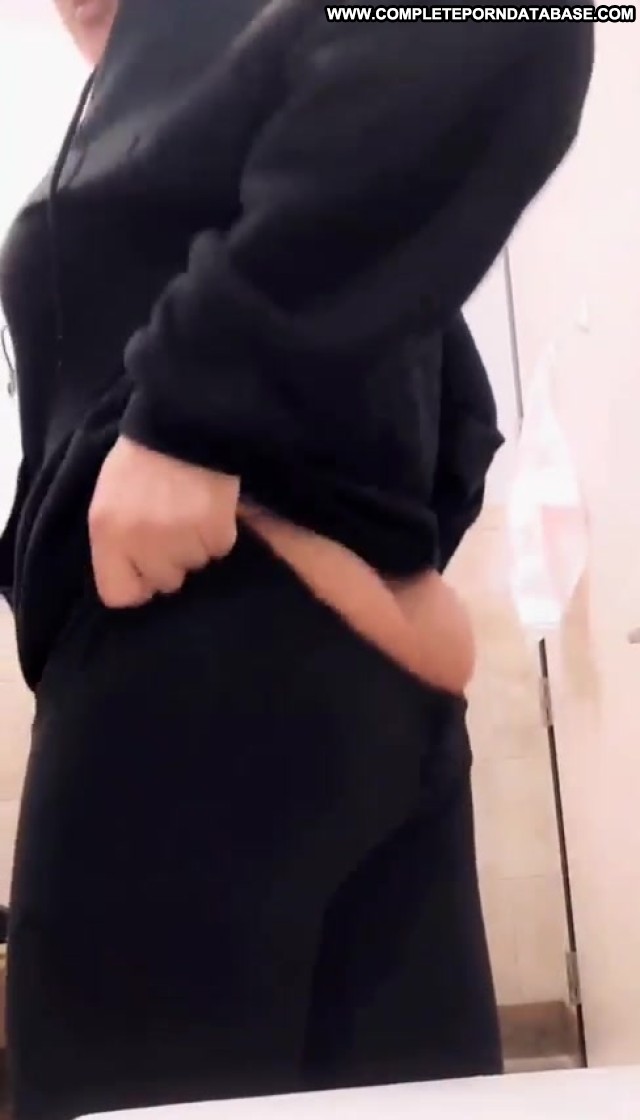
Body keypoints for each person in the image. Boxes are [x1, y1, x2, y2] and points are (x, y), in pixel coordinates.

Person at [0, 2, 592, 1118]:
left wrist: (191, 413)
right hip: (372, 695)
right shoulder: (214, 112)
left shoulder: (217, 41)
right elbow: (426, 364)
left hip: (182, 688)